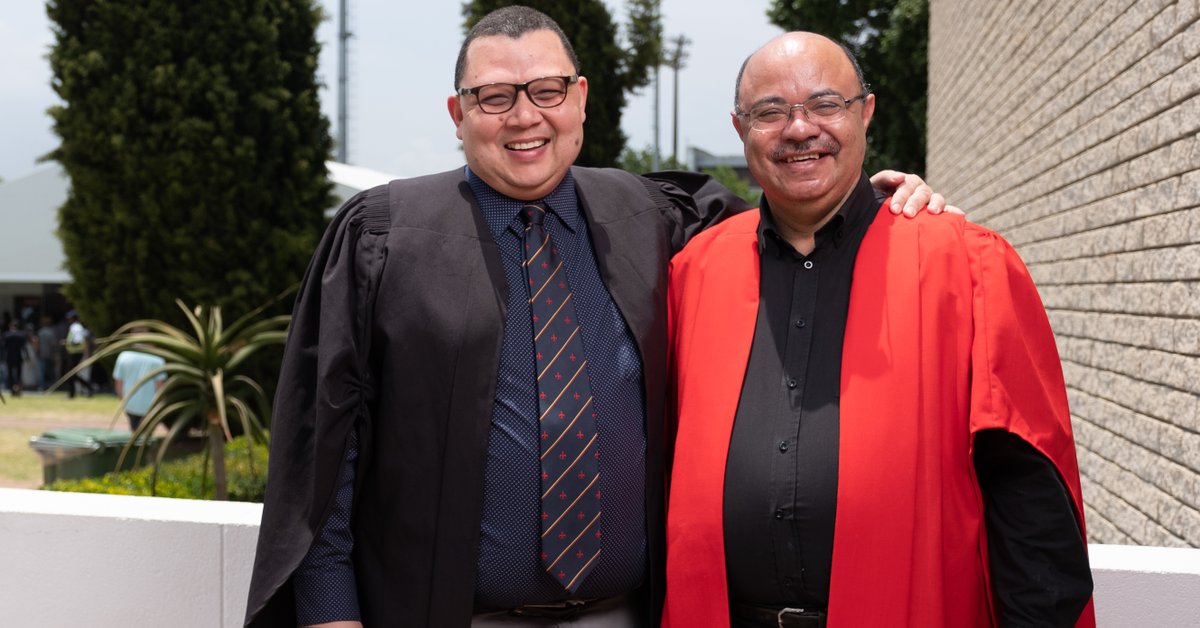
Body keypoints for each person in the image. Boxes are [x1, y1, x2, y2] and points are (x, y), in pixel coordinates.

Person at [244, 8, 945, 628]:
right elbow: (323, 457)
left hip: (625, 614)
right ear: (458, 115)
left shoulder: (655, 217)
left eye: (548, 91)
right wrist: (331, 614)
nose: (525, 117)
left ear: (580, 100)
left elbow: (795, 220)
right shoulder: (383, 235)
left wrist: (884, 208)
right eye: (495, 97)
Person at [663, 32, 1095, 628]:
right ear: (740, 130)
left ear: (865, 112)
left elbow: (1031, 499)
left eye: (825, 104)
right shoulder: (691, 274)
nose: (799, 129)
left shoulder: (966, 264)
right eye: (770, 112)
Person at [112, 342, 166, 431]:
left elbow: (118, 381)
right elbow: (160, 385)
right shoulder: (157, 360)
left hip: (130, 403)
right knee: (146, 434)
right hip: (150, 405)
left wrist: (121, 398)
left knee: (134, 431)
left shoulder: (123, 356)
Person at [62, 310, 97, 398]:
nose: (68, 319)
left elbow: (77, 341)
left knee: (71, 374)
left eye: (69, 318)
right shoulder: (77, 326)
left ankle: (74, 393)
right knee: (72, 374)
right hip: (75, 353)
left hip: (75, 353)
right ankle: (84, 390)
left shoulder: (75, 327)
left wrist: (66, 343)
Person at [2, 320, 27, 396]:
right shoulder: (21, 335)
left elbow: (4, 347)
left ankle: (12, 390)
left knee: (10, 375)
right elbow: (23, 347)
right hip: (18, 357)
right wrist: (27, 356)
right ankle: (18, 389)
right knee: (18, 375)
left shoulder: (6, 335)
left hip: (9, 357)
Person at [36, 316, 59, 392]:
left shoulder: (40, 332)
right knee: (51, 371)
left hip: (42, 353)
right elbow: (53, 344)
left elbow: (38, 344)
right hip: (50, 354)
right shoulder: (51, 332)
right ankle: (53, 386)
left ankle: (41, 386)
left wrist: (37, 351)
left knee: (41, 371)